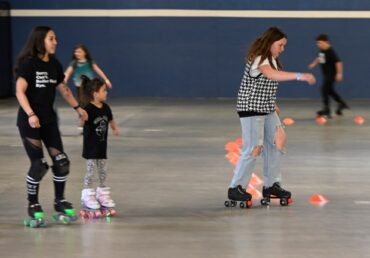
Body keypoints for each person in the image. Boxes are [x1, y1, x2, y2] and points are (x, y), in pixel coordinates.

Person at [227, 27, 316, 207]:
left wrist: (272, 103)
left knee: (277, 141)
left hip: (266, 107)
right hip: (251, 107)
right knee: (254, 148)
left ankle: (272, 185)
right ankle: (236, 188)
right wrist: (299, 76)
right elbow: (270, 75)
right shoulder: (260, 58)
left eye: (284, 46)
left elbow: (264, 83)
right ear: (270, 43)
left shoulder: (273, 60)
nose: (282, 49)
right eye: (280, 45)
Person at [14, 26, 88, 225]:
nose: (55, 42)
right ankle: (33, 204)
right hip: (30, 121)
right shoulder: (28, 64)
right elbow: (20, 91)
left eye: (55, 38)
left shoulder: (54, 64)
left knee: (61, 162)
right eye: (51, 38)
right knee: (38, 165)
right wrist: (30, 113)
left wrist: (78, 108)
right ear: (40, 40)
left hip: (48, 121)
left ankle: (59, 200)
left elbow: (63, 89)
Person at [79, 75, 119, 217]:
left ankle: (102, 194)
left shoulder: (106, 108)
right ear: (95, 94)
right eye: (103, 90)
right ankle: (87, 194)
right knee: (90, 172)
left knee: (102, 171)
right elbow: (81, 123)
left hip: (102, 147)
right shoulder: (88, 108)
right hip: (90, 148)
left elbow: (111, 119)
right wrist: (82, 119)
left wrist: (114, 128)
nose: (106, 93)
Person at [308, 34, 349, 117]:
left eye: (320, 43)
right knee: (330, 90)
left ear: (327, 42)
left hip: (331, 75)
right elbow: (319, 58)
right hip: (326, 75)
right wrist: (313, 64)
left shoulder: (330, 51)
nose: (318, 45)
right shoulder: (322, 51)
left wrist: (339, 73)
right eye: (317, 43)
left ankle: (327, 110)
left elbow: (338, 62)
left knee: (324, 89)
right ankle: (341, 103)